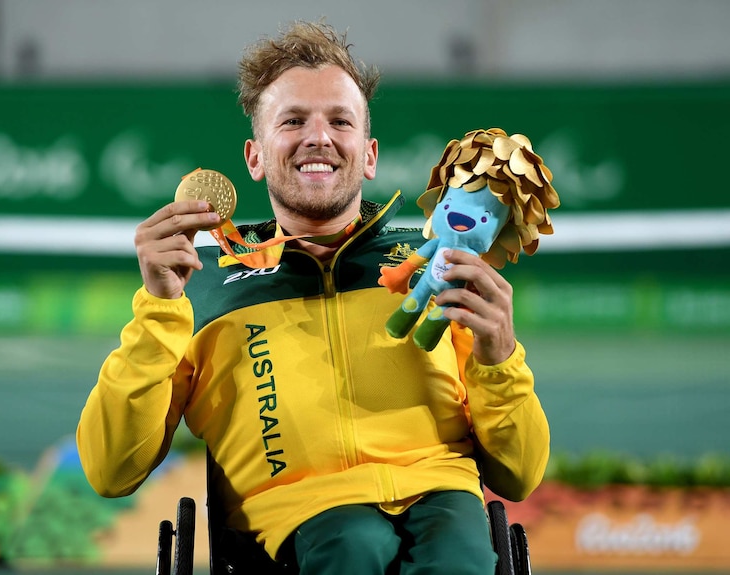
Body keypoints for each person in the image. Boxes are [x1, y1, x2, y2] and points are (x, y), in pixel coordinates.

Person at [77, 19, 550, 575]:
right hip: (295, 520)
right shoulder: (196, 280)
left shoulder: (439, 265)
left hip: (443, 494)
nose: (318, 137)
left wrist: (500, 357)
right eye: (293, 120)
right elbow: (112, 471)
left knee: (462, 557)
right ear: (254, 157)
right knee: (354, 543)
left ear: (369, 155)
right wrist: (158, 307)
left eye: (340, 121)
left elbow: (518, 475)